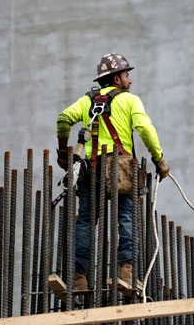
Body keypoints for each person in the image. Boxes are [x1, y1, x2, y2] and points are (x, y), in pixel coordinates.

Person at [56, 53, 170, 291]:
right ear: (117, 78)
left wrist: (62, 153)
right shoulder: (130, 100)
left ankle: (78, 277)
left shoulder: (88, 101)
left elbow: (64, 119)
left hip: (90, 170)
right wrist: (159, 158)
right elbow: (145, 129)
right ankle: (127, 273)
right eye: (127, 75)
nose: (130, 80)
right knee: (125, 218)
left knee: (87, 221)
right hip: (120, 170)